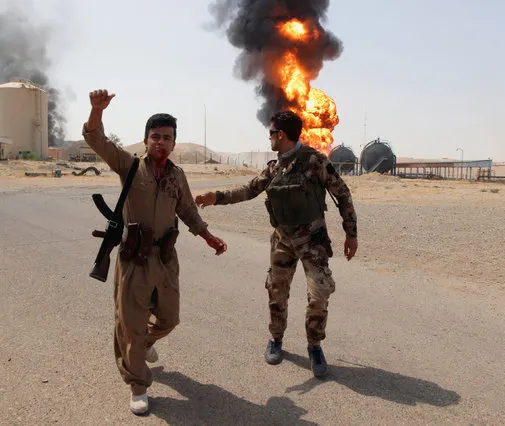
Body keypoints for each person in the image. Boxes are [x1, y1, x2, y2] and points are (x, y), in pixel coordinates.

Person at [82, 89, 228, 415]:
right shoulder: (129, 166)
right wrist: (96, 112)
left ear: (174, 143)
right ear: (146, 140)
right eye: (155, 136)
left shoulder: (177, 176)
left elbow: (188, 210)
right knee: (130, 324)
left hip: (165, 259)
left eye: (167, 137)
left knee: (169, 319)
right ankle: (138, 383)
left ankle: (144, 344)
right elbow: (96, 140)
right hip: (134, 259)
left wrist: (208, 236)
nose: (161, 142)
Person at [195, 110, 358, 378]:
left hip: (312, 242)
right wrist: (217, 197)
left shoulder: (315, 161)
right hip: (282, 241)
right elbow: (249, 190)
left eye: (271, 133)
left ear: (280, 134)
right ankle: (276, 339)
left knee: (319, 295)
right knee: (276, 292)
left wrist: (351, 234)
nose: (269, 138)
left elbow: (343, 194)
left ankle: (314, 345)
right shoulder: (274, 168)